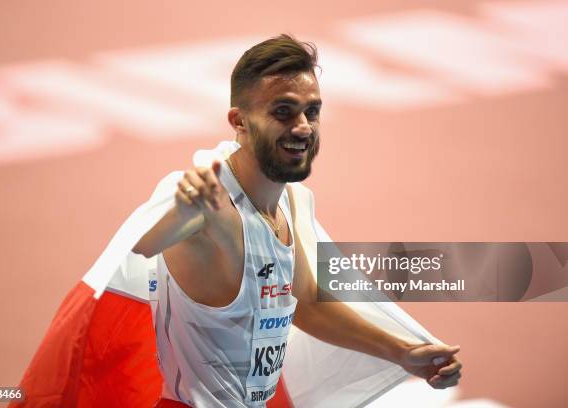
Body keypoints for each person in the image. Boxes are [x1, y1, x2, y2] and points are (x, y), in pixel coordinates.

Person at [133, 34, 462, 407]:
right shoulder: (207, 200)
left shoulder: (291, 202)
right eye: (283, 112)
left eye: (313, 111)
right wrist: (183, 207)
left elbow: (306, 302)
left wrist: (403, 353)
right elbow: (141, 242)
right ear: (239, 121)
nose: (304, 126)